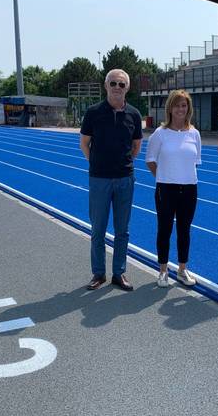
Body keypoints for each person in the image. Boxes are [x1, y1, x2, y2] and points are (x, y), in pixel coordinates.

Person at [79, 69, 143, 291]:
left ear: (128, 88)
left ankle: (119, 273)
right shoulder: (93, 112)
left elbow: (136, 147)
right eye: (113, 83)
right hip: (100, 180)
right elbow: (84, 143)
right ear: (106, 85)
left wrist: (122, 164)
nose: (117, 87)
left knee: (122, 230)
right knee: (98, 229)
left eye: (122, 84)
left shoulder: (134, 114)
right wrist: (96, 163)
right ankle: (98, 273)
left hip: (125, 179)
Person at [145, 90, 201, 288]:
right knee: (165, 229)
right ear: (170, 108)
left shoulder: (194, 133)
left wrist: (181, 176)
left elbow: (195, 162)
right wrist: (164, 177)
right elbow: (150, 161)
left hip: (189, 189)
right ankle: (162, 271)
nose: (180, 109)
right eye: (177, 105)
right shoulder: (160, 134)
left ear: (188, 108)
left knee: (184, 230)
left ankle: (182, 269)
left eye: (184, 105)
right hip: (166, 189)